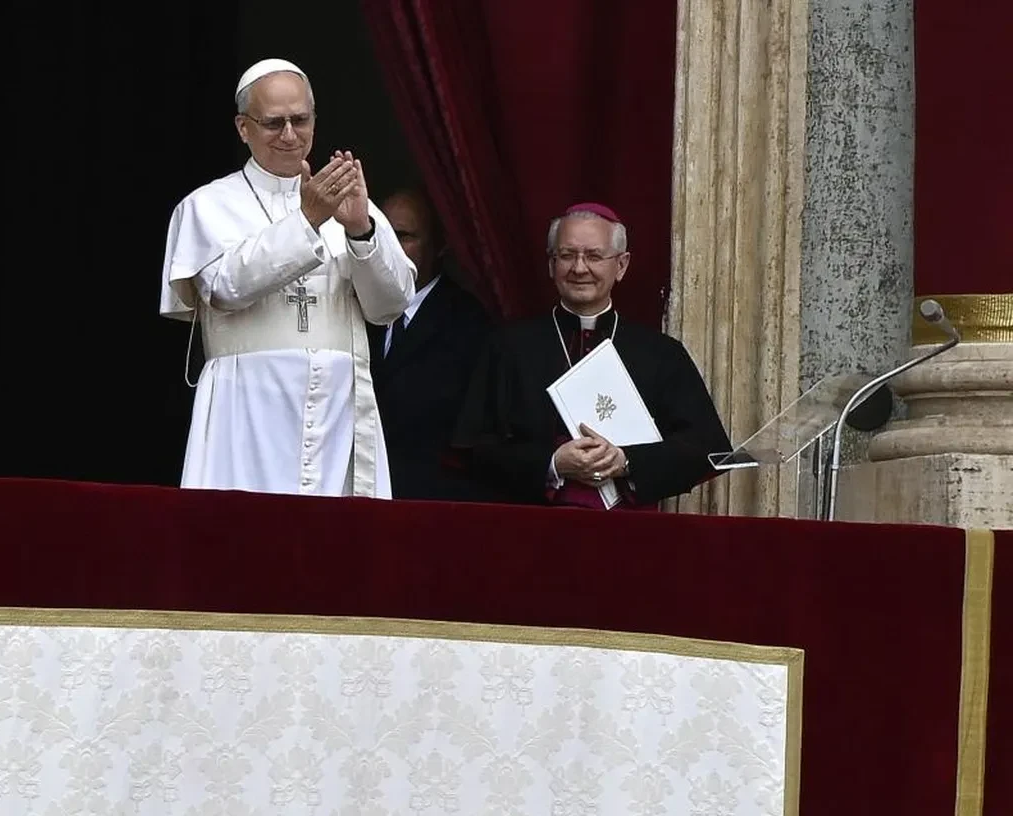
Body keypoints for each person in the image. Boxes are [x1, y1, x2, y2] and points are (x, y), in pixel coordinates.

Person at [159, 59, 415, 497]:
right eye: (274, 123)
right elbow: (224, 287)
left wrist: (360, 232)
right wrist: (308, 221)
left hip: (337, 410)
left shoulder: (354, 204)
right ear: (243, 127)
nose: (290, 135)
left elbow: (391, 305)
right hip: (245, 408)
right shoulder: (207, 206)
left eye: (300, 120)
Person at [452, 202, 730, 508]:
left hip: (631, 537)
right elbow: (471, 449)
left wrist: (626, 460)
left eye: (594, 256)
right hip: (530, 533)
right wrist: (553, 462)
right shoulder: (509, 347)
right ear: (550, 264)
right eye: (567, 255)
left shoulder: (661, 354)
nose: (579, 268)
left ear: (621, 265)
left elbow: (705, 449)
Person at [367, 188, 492, 500]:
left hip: (429, 499)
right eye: (383, 235)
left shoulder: (469, 323)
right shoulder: (357, 305)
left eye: (405, 236)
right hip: (360, 490)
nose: (391, 249)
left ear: (440, 245)